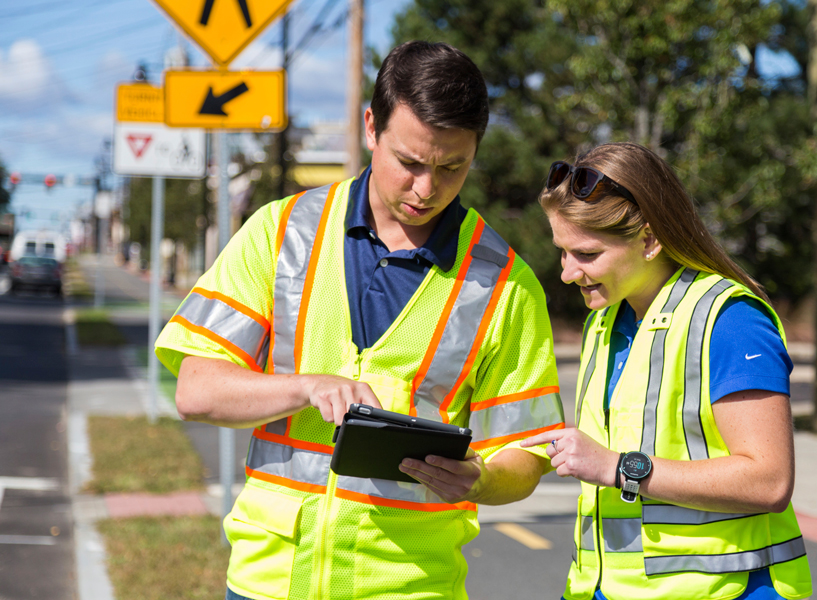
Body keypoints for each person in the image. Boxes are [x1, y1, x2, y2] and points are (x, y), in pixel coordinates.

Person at [155, 41, 565, 600]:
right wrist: (306, 387)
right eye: (411, 163)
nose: (427, 189)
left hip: (409, 585)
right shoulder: (279, 232)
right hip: (269, 582)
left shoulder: (506, 285)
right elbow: (196, 391)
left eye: (452, 167)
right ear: (370, 127)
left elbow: (528, 451)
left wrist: (483, 479)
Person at [521, 142, 813, 600]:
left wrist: (618, 467)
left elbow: (769, 480)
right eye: (562, 252)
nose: (566, 273)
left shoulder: (730, 319)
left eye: (586, 254)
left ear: (650, 240)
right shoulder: (603, 320)